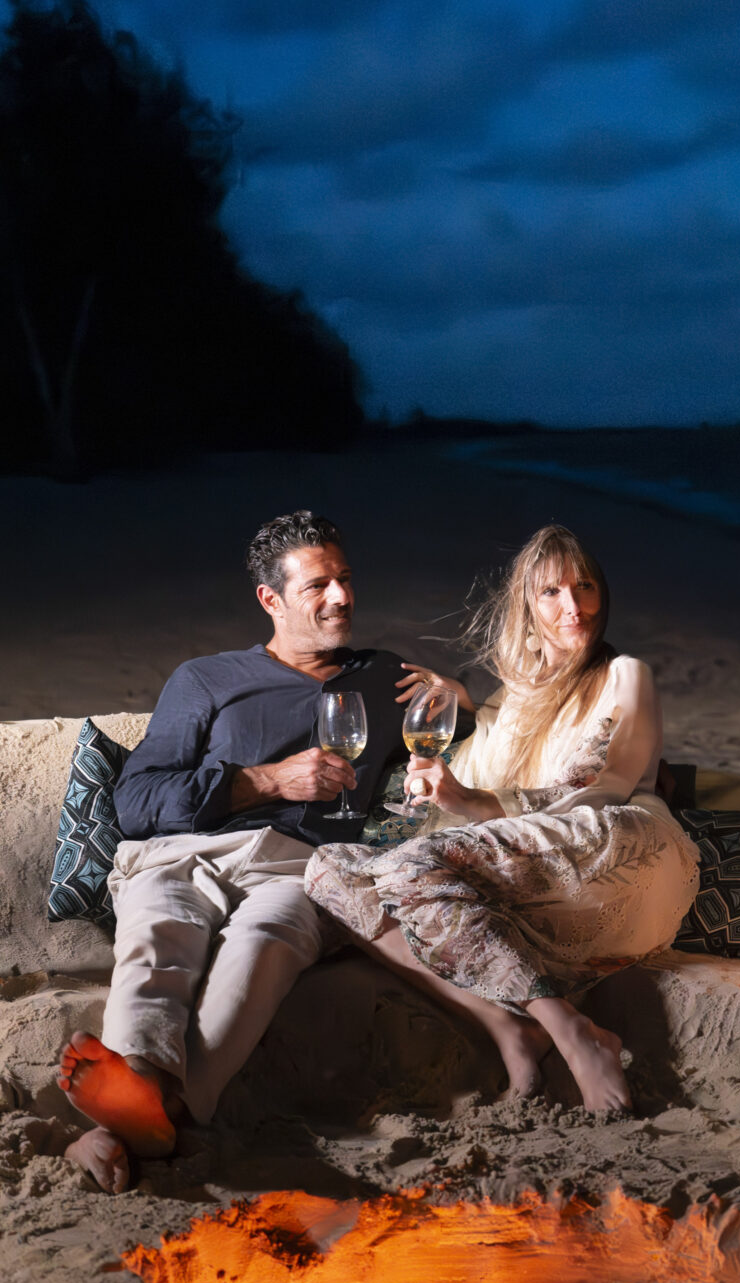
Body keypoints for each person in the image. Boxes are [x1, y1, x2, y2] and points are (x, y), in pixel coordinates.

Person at [55, 510, 457, 1191]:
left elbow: (460, 729)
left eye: (347, 579)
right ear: (270, 600)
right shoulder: (207, 680)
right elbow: (136, 801)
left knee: (265, 940)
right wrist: (266, 780)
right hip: (185, 855)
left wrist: (461, 701)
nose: (342, 598)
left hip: (298, 866)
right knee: (160, 931)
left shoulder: (386, 679)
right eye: (319, 586)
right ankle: (144, 1100)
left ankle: (137, 1117)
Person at [305, 525, 699, 1114]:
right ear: (527, 607)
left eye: (584, 586)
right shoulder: (512, 695)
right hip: (529, 856)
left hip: (614, 846)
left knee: (413, 868)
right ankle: (511, 1025)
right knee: (326, 872)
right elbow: (466, 785)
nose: (573, 606)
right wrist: (455, 728)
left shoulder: (625, 675)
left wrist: (472, 804)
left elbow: (601, 786)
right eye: (551, 593)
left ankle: (573, 1034)